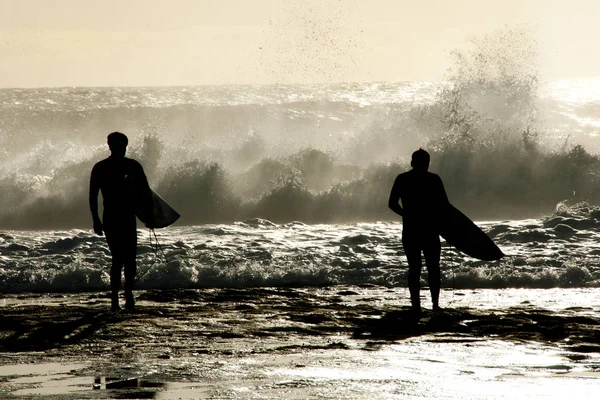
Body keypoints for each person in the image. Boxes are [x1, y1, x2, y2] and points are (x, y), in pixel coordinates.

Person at [89, 132, 153, 312]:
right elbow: (93, 195)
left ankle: (128, 293)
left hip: (127, 217)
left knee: (130, 259)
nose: (121, 150)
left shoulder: (132, 166)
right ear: (110, 146)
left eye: (123, 147)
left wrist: (149, 217)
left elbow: (145, 193)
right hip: (111, 218)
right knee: (118, 258)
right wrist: (96, 219)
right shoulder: (101, 168)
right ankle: (116, 297)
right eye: (118, 147)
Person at [388, 148, 450, 314]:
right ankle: (435, 305)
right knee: (433, 268)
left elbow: (392, 203)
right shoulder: (434, 179)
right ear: (427, 163)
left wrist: (406, 214)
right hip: (430, 229)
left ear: (412, 162)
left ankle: (416, 306)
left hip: (410, 229)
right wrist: (450, 230)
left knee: (414, 268)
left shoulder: (402, 179)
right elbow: (444, 206)